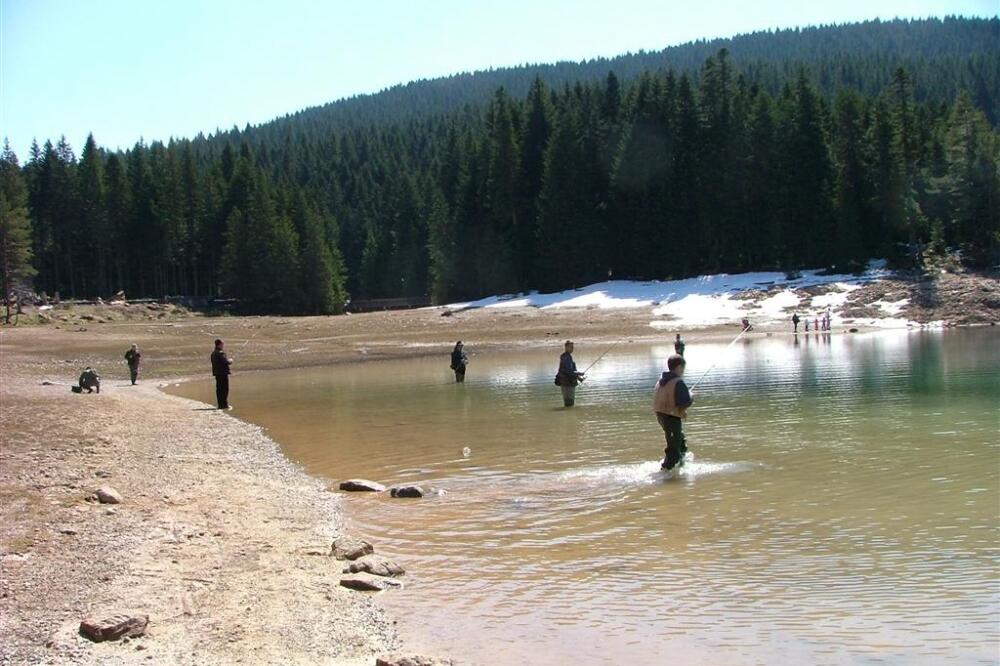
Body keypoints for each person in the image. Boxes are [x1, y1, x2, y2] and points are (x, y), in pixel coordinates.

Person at [653, 354, 693, 472]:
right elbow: (684, 402)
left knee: (681, 444)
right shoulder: (677, 382)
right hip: (671, 417)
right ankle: (665, 472)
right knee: (674, 450)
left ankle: (681, 468)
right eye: (683, 368)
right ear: (679, 367)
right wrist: (691, 396)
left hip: (662, 416)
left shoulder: (661, 380)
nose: (683, 371)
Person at [555, 340, 585, 407]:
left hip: (566, 382)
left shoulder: (566, 356)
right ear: (566, 347)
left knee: (568, 403)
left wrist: (578, 377)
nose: (572, 349)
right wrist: (579, 374)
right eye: (570, 347)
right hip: (567, 383)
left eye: (572, 347)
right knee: (569, 403)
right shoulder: (566, 357)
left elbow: (570, 371)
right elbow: (569, 371)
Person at [211, 339, 232, 410]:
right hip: (222, 374)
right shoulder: (220, 352)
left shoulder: (213, 353)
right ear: (219, 344)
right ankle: (224, 405)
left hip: (217, 373)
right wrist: (230, 361)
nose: (223, 345)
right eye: (222, 344)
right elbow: (225, 362)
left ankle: (220, 405)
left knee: (219, 389)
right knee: (224, 389)